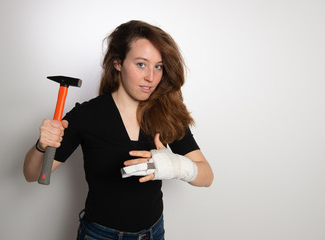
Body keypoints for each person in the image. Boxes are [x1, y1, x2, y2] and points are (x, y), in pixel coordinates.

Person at [23, 20, 213, 240]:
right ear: (118, 63)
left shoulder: (167, 114)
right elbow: (33, 174)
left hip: (153, 233)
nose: (151, 77)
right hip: (100, 235)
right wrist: (41, 145)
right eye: (141, 64)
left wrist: (177, 166)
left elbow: (207, 176)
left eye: (158, 66)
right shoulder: (86, 116)